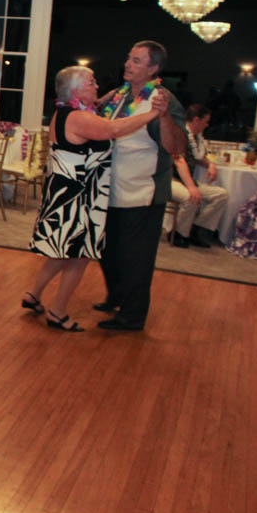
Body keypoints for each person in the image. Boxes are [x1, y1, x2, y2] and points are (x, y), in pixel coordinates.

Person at [22, 66, 161, 331]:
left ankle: (33, 295)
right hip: (78, 197)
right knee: (79, 256)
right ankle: (58, 313)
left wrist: (115, 94)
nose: (96, 86)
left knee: (61, 252)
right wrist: (152, 113)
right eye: (91, 82)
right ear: (75, 91)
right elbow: (113, 130)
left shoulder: (67, 112)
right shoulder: (77, 117)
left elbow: (98, 106)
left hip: (66, 192)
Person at [94, 40, 187, 331]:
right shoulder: (119, 96)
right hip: (111, 188)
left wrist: (165, 117)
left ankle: (132, 316)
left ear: (154, 68)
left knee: (136, 259)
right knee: (108, 251)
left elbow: (176, 146)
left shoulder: (162, 99)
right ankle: (116, 297)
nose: (128, 64)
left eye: (136, 61)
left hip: (143, 194)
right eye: (129, 58)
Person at [170, 103, 228, 248]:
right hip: (170, 179)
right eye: (206, 121)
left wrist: (211, 165)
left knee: (221, 195)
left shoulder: (195, 137)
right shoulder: (179, 133)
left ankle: (196, 230)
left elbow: (198, 157)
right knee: (191, 198)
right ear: (196, 120)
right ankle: (178, 234)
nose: (207, 125)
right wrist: (191, 186)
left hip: (187, 180)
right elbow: (179, 161)